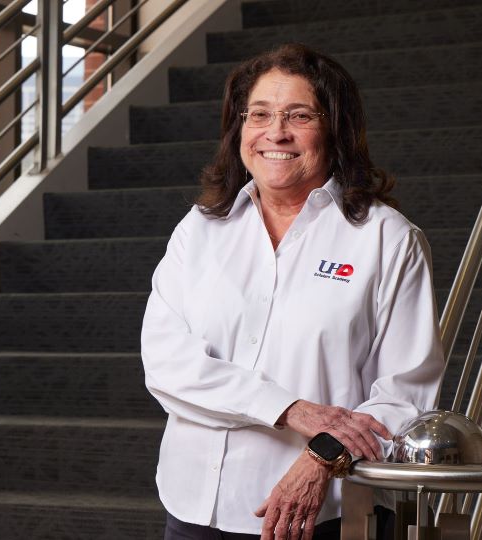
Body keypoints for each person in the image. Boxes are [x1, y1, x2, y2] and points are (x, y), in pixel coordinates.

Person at [141, 43, 445, 540]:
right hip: (192, 504)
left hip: (322, 514)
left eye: (299, 115)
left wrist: (324, 455)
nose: (274, 133)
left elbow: (406, 395)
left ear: (335, 129)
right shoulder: (199, 230)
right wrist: (290, 410)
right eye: (258, 114)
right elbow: (168, 364)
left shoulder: (387, 238)